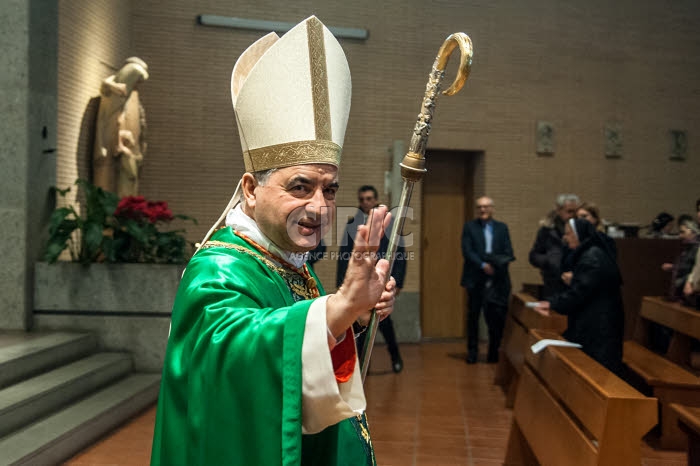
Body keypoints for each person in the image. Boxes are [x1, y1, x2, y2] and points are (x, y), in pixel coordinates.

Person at [151, 17, 397, 466]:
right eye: (300, 187)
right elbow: (231, 358)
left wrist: (355, 315)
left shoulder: (283, 257)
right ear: (250, 188)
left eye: (330, 189)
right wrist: (337, 309)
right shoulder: (218, 268)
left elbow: (304, 359)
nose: (321, 207)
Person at [534, 218, 625, 377]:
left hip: (599, 326)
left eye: (569, 234)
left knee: (597, 373)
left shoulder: (592, 257)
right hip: (594, 321)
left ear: (578, 235)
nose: (565, 237)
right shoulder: (589, 253)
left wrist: (552, 304)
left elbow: (579, 293)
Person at [337, 185, 407, 373]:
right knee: (358, 324)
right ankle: (360, 366)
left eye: (369, 199)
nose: (365, 202)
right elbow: (344, 255)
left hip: (383, 280)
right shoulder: (353, 224)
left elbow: (401, 254)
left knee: (385, 325)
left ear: (375, 200)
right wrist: (341, 283)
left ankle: (396, 357)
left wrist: (398, 282)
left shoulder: (390, 225)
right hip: (360, 283)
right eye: (362, 199)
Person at [460, 196, 515, 364]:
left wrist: (494, 263)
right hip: (476, 279)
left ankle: (493, 353)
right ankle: (472, 352)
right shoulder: (470, 227)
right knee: (473, 318)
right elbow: (467, 251)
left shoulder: (502, 228)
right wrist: (484, 264)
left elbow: (508, 252)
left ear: (492, 209)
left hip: (497, 280)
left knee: (495, 319)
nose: (482, 210)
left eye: (486, 207)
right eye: (479, 207)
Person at [93, 57, 149, 197]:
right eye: (137, 82)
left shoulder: (123, 96)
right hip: (107, 146)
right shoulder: (113, 93)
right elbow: (104, 120)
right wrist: (100, 146)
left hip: (117, 150)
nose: (136, 87)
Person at [528, 193, 580, 299]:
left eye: (575, 212)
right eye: (569, 211)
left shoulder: (581, 230)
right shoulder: (547, 230)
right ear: (559, 210)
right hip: (553, 284)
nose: (573, 215)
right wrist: (550, 260)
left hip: (575, 283)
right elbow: (533, 256)